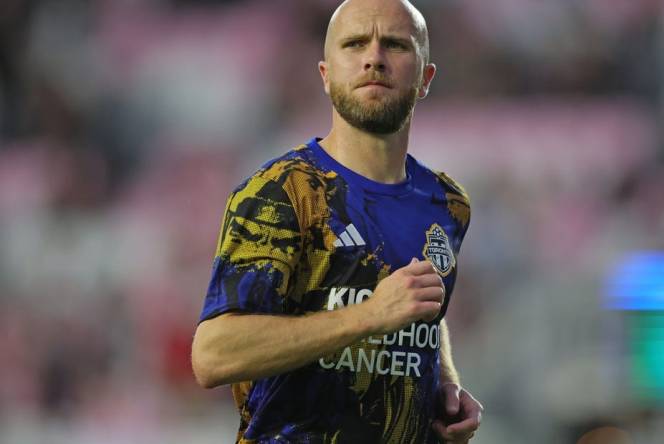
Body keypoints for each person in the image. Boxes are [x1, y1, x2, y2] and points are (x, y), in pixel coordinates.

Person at [191, 0, 482, 442]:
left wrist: (445, 383)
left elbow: (421, 309)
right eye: (355, 43)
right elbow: (214, 355)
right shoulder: (283, 191)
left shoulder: (447, 203)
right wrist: (368, 315)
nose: (374, 57)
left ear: (425, 78)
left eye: (396, 45)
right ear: (326, 76)